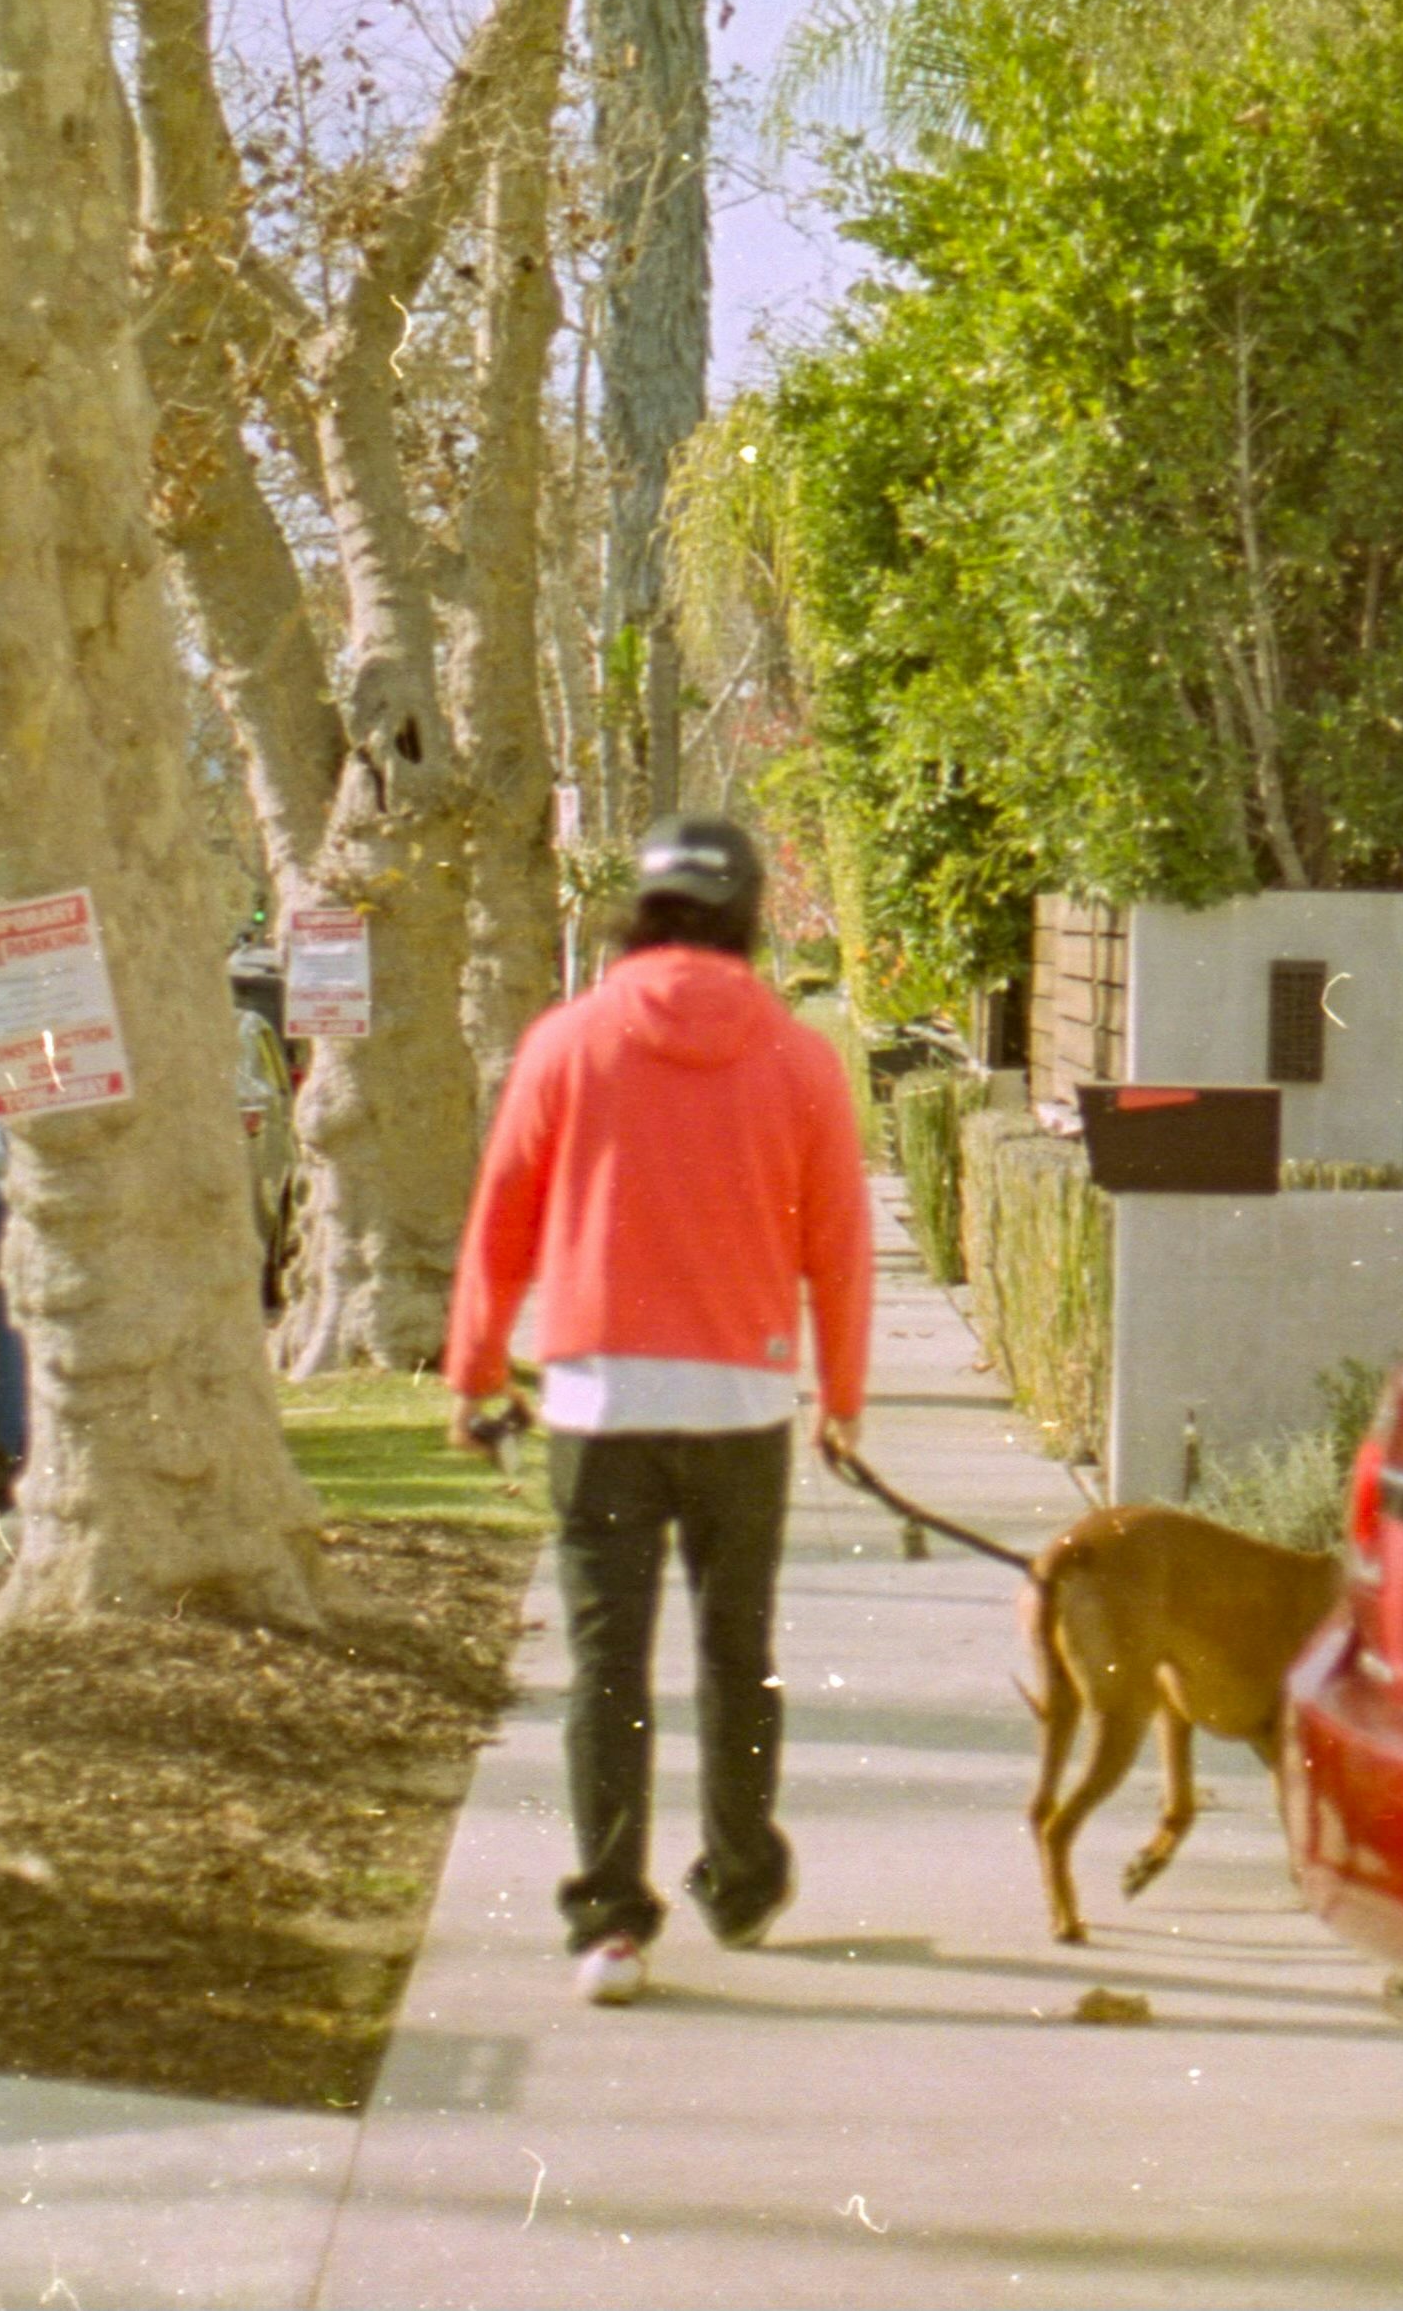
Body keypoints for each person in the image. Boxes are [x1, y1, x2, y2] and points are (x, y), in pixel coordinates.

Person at [444, 812, 873, 2007]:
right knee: (739, 1657)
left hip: (597, 1400)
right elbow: (837, 1246)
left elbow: (503, 1220)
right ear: (744, 916)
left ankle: (610, 1924)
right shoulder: (797, 1060)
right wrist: (840, 1396)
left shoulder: (566, 1044)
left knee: (606, 1666)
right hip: (742, 1402)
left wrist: (475, 1369)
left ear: (642, 908)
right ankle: (739, 1883)